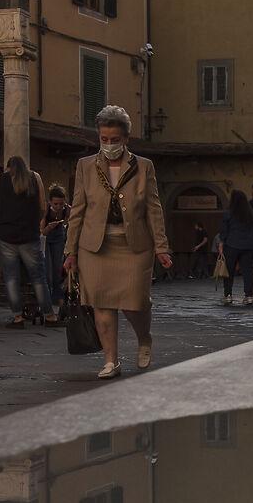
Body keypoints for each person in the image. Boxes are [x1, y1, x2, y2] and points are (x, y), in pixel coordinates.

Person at [62, 105, 170, 378]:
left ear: (126, 139)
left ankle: (144, 338)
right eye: (104, 139)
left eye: (115, 140)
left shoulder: (144, 167)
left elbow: (153, 209)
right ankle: (111, 361)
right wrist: (70, 250)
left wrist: (161, 246)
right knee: (101, 303)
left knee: (135, 302)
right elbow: (78, 209)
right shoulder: (85, 166)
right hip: (94, 246)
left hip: (134, 245)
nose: (109, 145)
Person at [0, 154, 51, 327]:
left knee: (11, 278)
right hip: (29, 234)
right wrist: (35, 221)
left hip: (7, 234)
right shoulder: (35, 177)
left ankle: (17, 317)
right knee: (38, 277)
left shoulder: (0, 179)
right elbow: (43, 207)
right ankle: (49, 315)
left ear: (8, 168)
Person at [216, 186, 253, 307]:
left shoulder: (229, 213)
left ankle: (228, 295)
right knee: (247, 270)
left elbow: (224, 230)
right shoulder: (250, 213)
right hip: (249, 245)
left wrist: (221, 243)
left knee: (229, 270)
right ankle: (248, 295)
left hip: (232, 244)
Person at [41, 182, 69, 320]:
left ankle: (58, 297)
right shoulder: (46, 210)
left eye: (61, 204)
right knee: (46, 269)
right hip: (47, 237)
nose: (58, 207)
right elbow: (42, 231)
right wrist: (49, 227)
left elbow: (69, 222)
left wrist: (63, 224)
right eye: (56, 204)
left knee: (58, 268)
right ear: (50, 202)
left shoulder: (66, 209)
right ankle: (46, 298)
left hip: (59, 237)